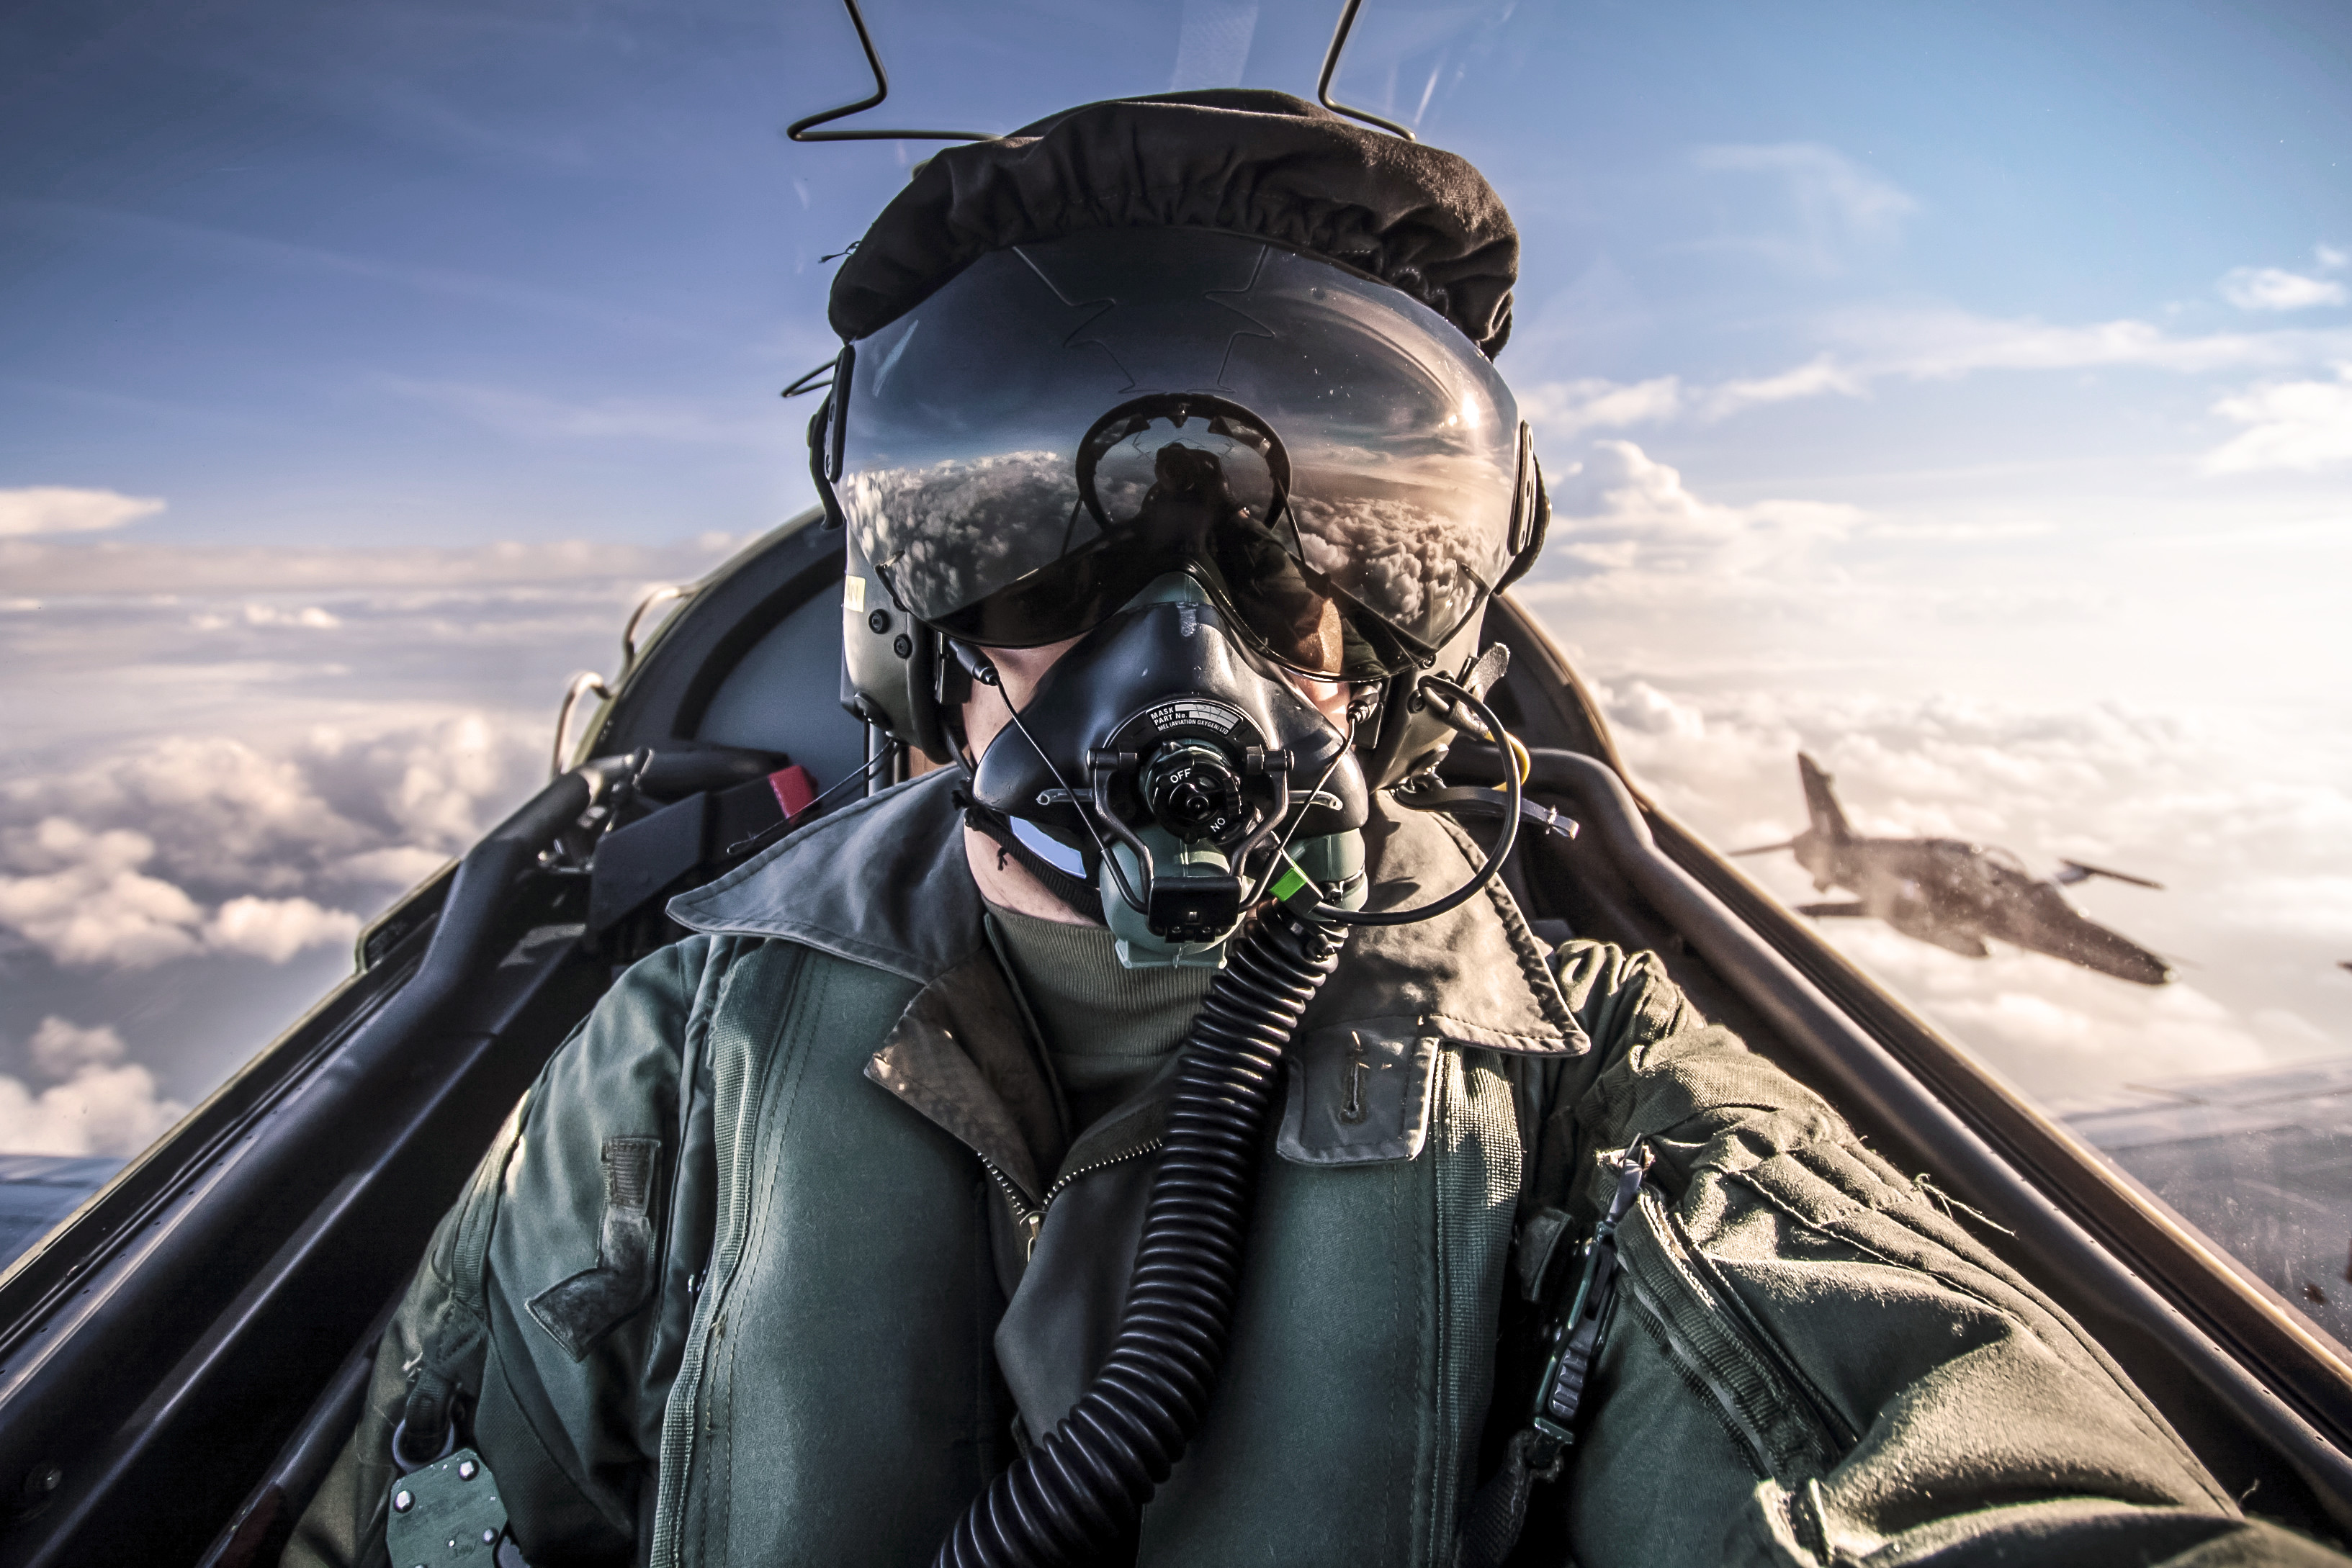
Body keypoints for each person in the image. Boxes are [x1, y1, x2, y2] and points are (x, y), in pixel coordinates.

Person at [287, 91, 2343, 1568]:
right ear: (908, 602)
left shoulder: (1603, 1090)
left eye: (1286, 578)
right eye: (1041, 557)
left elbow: (1936, 1464)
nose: (1174, 653)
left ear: (1409, 641)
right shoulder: (678, 1045)